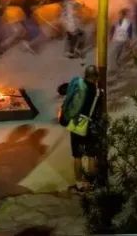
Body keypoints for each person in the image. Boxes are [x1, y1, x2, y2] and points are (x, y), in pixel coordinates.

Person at [58, 65, 102, 193]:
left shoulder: (79, 87)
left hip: (77, 124)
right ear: (96, 77)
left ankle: (79, 184)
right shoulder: (98, 92)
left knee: (77, 156)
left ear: (85, 75)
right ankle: (91, 184)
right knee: (91, 155)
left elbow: (65, 94)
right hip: (91, 125)